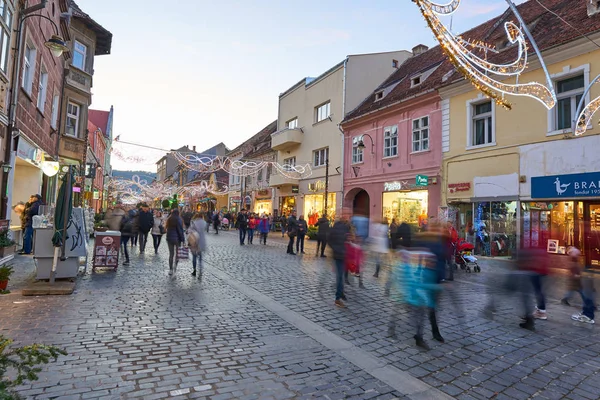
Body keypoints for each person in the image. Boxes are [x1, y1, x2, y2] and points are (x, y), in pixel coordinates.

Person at [329, 219, 350, 307]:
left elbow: (345, 239)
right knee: (340, 276)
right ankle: (338, 298)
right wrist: (336, 249)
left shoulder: (346, 226)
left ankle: (340, 293)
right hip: (338, 255)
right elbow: (330, 239)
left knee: (342, 275)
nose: (347, 216)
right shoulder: (337, 226)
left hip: (344, 254)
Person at [165, 209, 185, 276]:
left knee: (171, 254)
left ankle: (170, 269)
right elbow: (180, 230)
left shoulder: (169, 219)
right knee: (177, 254)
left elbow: (166, 228)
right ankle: (175, 267)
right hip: (177, 239)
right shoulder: (179, 219)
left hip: (169, 238)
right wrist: (183, 239)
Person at [188, 213, 207, 277]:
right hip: (201, 241)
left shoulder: (193, 222)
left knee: (194, 257)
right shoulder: (204, 223)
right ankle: (200, 271)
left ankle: (194, 270)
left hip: (194, 241)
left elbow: (189, 230)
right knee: (200, 258)